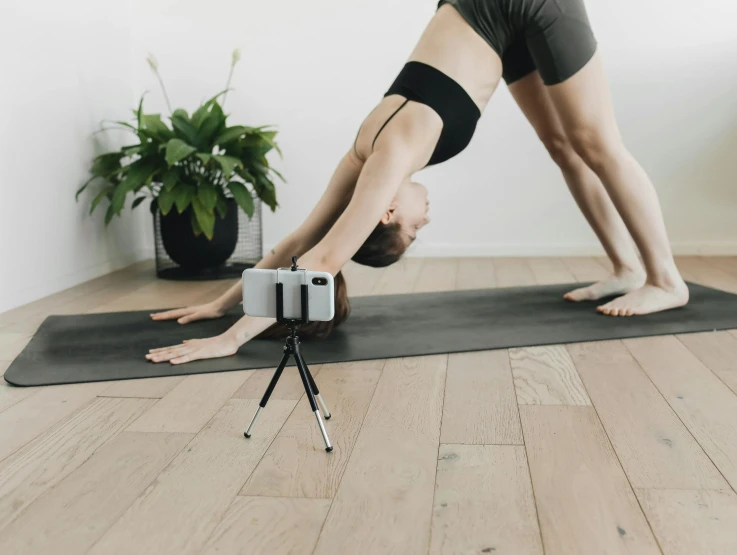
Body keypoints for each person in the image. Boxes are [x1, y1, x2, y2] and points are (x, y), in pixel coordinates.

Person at [146, 0, 688, 365]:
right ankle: (626, 268)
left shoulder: (388, 161)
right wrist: (223, 301)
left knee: (597, 143)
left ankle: (665, 280)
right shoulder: (363, 151)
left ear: (385, 212)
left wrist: (230, 337)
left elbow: (322, 259)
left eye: (413, 228)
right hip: (491, 21)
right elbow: (296, 244)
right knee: (564, 146)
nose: (425, 216)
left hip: (520, 5)